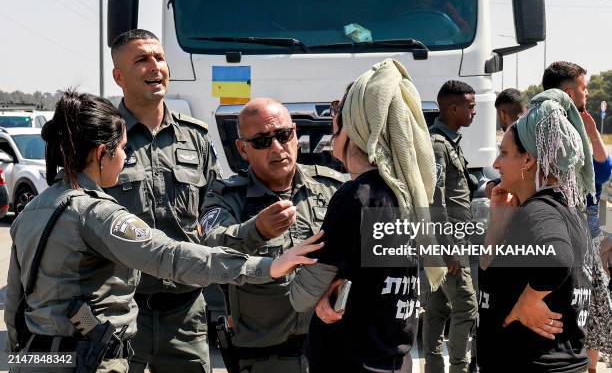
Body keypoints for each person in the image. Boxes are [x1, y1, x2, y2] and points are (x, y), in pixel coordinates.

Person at [4, 91, 323, 373]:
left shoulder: (32, 210)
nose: (126, 158)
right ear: (103, 153)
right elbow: (170, 255)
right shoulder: (96, 213)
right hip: (88, 359)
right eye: (123, 150)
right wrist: (266, 266)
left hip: (39, 358)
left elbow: (16, 306)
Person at [290, 58, 446, 372]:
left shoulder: (356, 198)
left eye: (337, 111)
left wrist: (293, 262)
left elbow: (302, 296)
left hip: (349, 361)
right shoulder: (406, 194)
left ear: (354, 124)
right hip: (394, 359)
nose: (331, 119)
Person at [201, 98, 344, 373]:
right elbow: (210, 248)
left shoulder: (331, 188)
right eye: (262, 141)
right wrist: (255, 231)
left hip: (330, 351)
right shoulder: (228, 197)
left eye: (283, 135)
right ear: (243, 149)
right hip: (265, 360)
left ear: (295, 133)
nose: (277, 148)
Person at [106, 28, 219, 372]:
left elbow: (214, 205)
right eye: (142, 60)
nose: (155, 67)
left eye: (160, 58)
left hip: (185, 311)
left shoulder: (195, 136)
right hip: (121, 313)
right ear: (119, 76)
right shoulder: (103, 138)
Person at [477, 88, 593, 372]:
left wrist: (528, 300)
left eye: (504, 153)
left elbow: (557, 260)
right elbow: (490, 273)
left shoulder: (540, 211)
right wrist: (498, 222)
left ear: (528, 160)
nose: (495, 164)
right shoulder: (560, 209)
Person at [543, 61, 612, 371]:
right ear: (569, 92)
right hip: (560, 224)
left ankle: (590, 367)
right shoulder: (545, 128)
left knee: (593, 304)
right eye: (584, 87)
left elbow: (603, 170)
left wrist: (594, 133)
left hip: (587, 223)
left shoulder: (582, 125)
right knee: (565, 302)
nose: (587, 92)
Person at [423, 80, 479, 373]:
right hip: (449, 244)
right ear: (452, 108)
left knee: (437, 309)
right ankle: (458, 368)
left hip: (453, 241)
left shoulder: (449, 142)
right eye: (470, 107)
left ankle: (434, 368)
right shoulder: (437, 145)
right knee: (466, 307)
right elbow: (436, 200)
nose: (474, 113)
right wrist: (448, 248)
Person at [485, 88, 526, 198]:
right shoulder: (532, 129)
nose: (496, 164)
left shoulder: (521, 134)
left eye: (504, 153)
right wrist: (497, 182)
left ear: (501, 113)